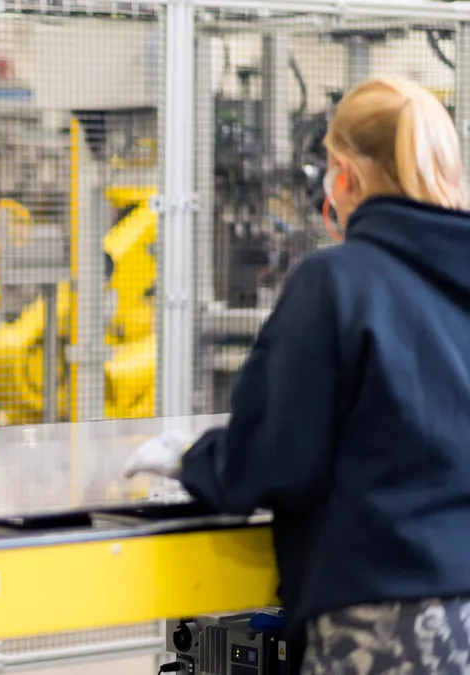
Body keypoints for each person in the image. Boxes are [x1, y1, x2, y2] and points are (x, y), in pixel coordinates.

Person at [125, 77, 470, 673]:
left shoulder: (338, 281)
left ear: (344, 174)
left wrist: (194, 460)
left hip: (385, 610)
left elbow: (277, 456)